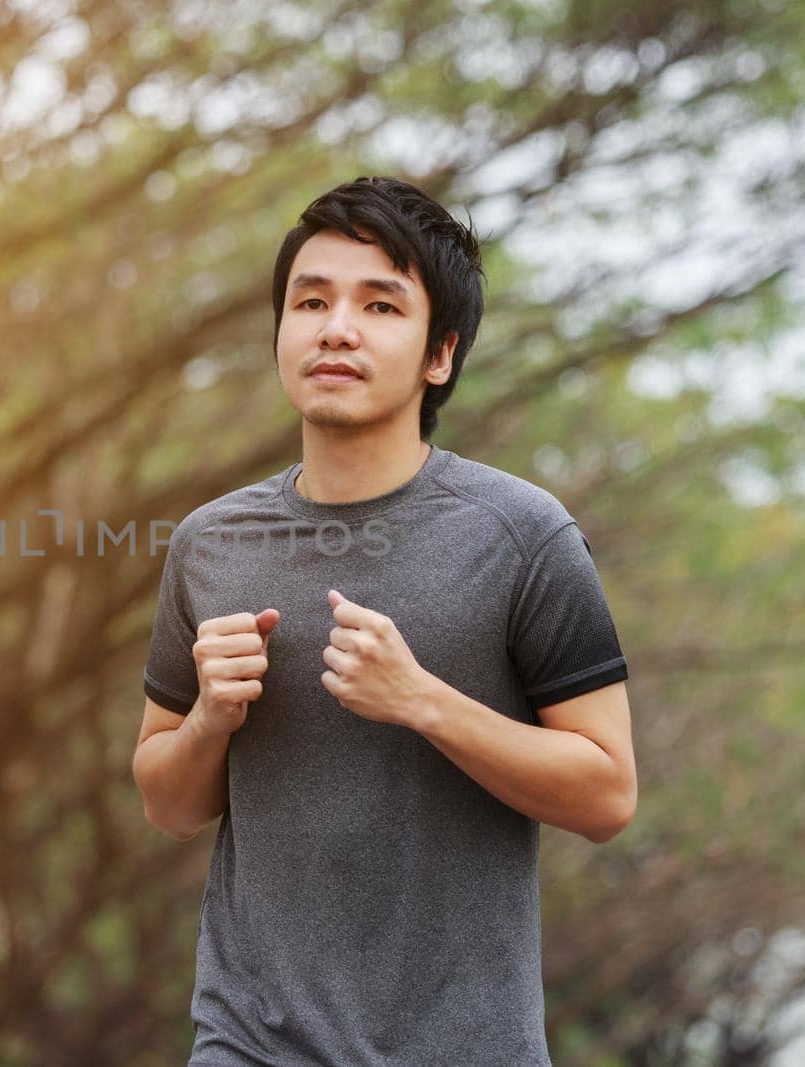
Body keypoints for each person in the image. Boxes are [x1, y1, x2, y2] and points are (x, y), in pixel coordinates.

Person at [130, 176, 636, 1066]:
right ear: (281, 331)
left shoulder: (522, 535)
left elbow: (607, 793)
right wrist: (209, 718)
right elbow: (170, 804)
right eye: (311, 300)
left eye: (380, 304)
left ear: (439, 353)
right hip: (250, 1042)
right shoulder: (211, 543)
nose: (336, 327)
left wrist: (422, 700)